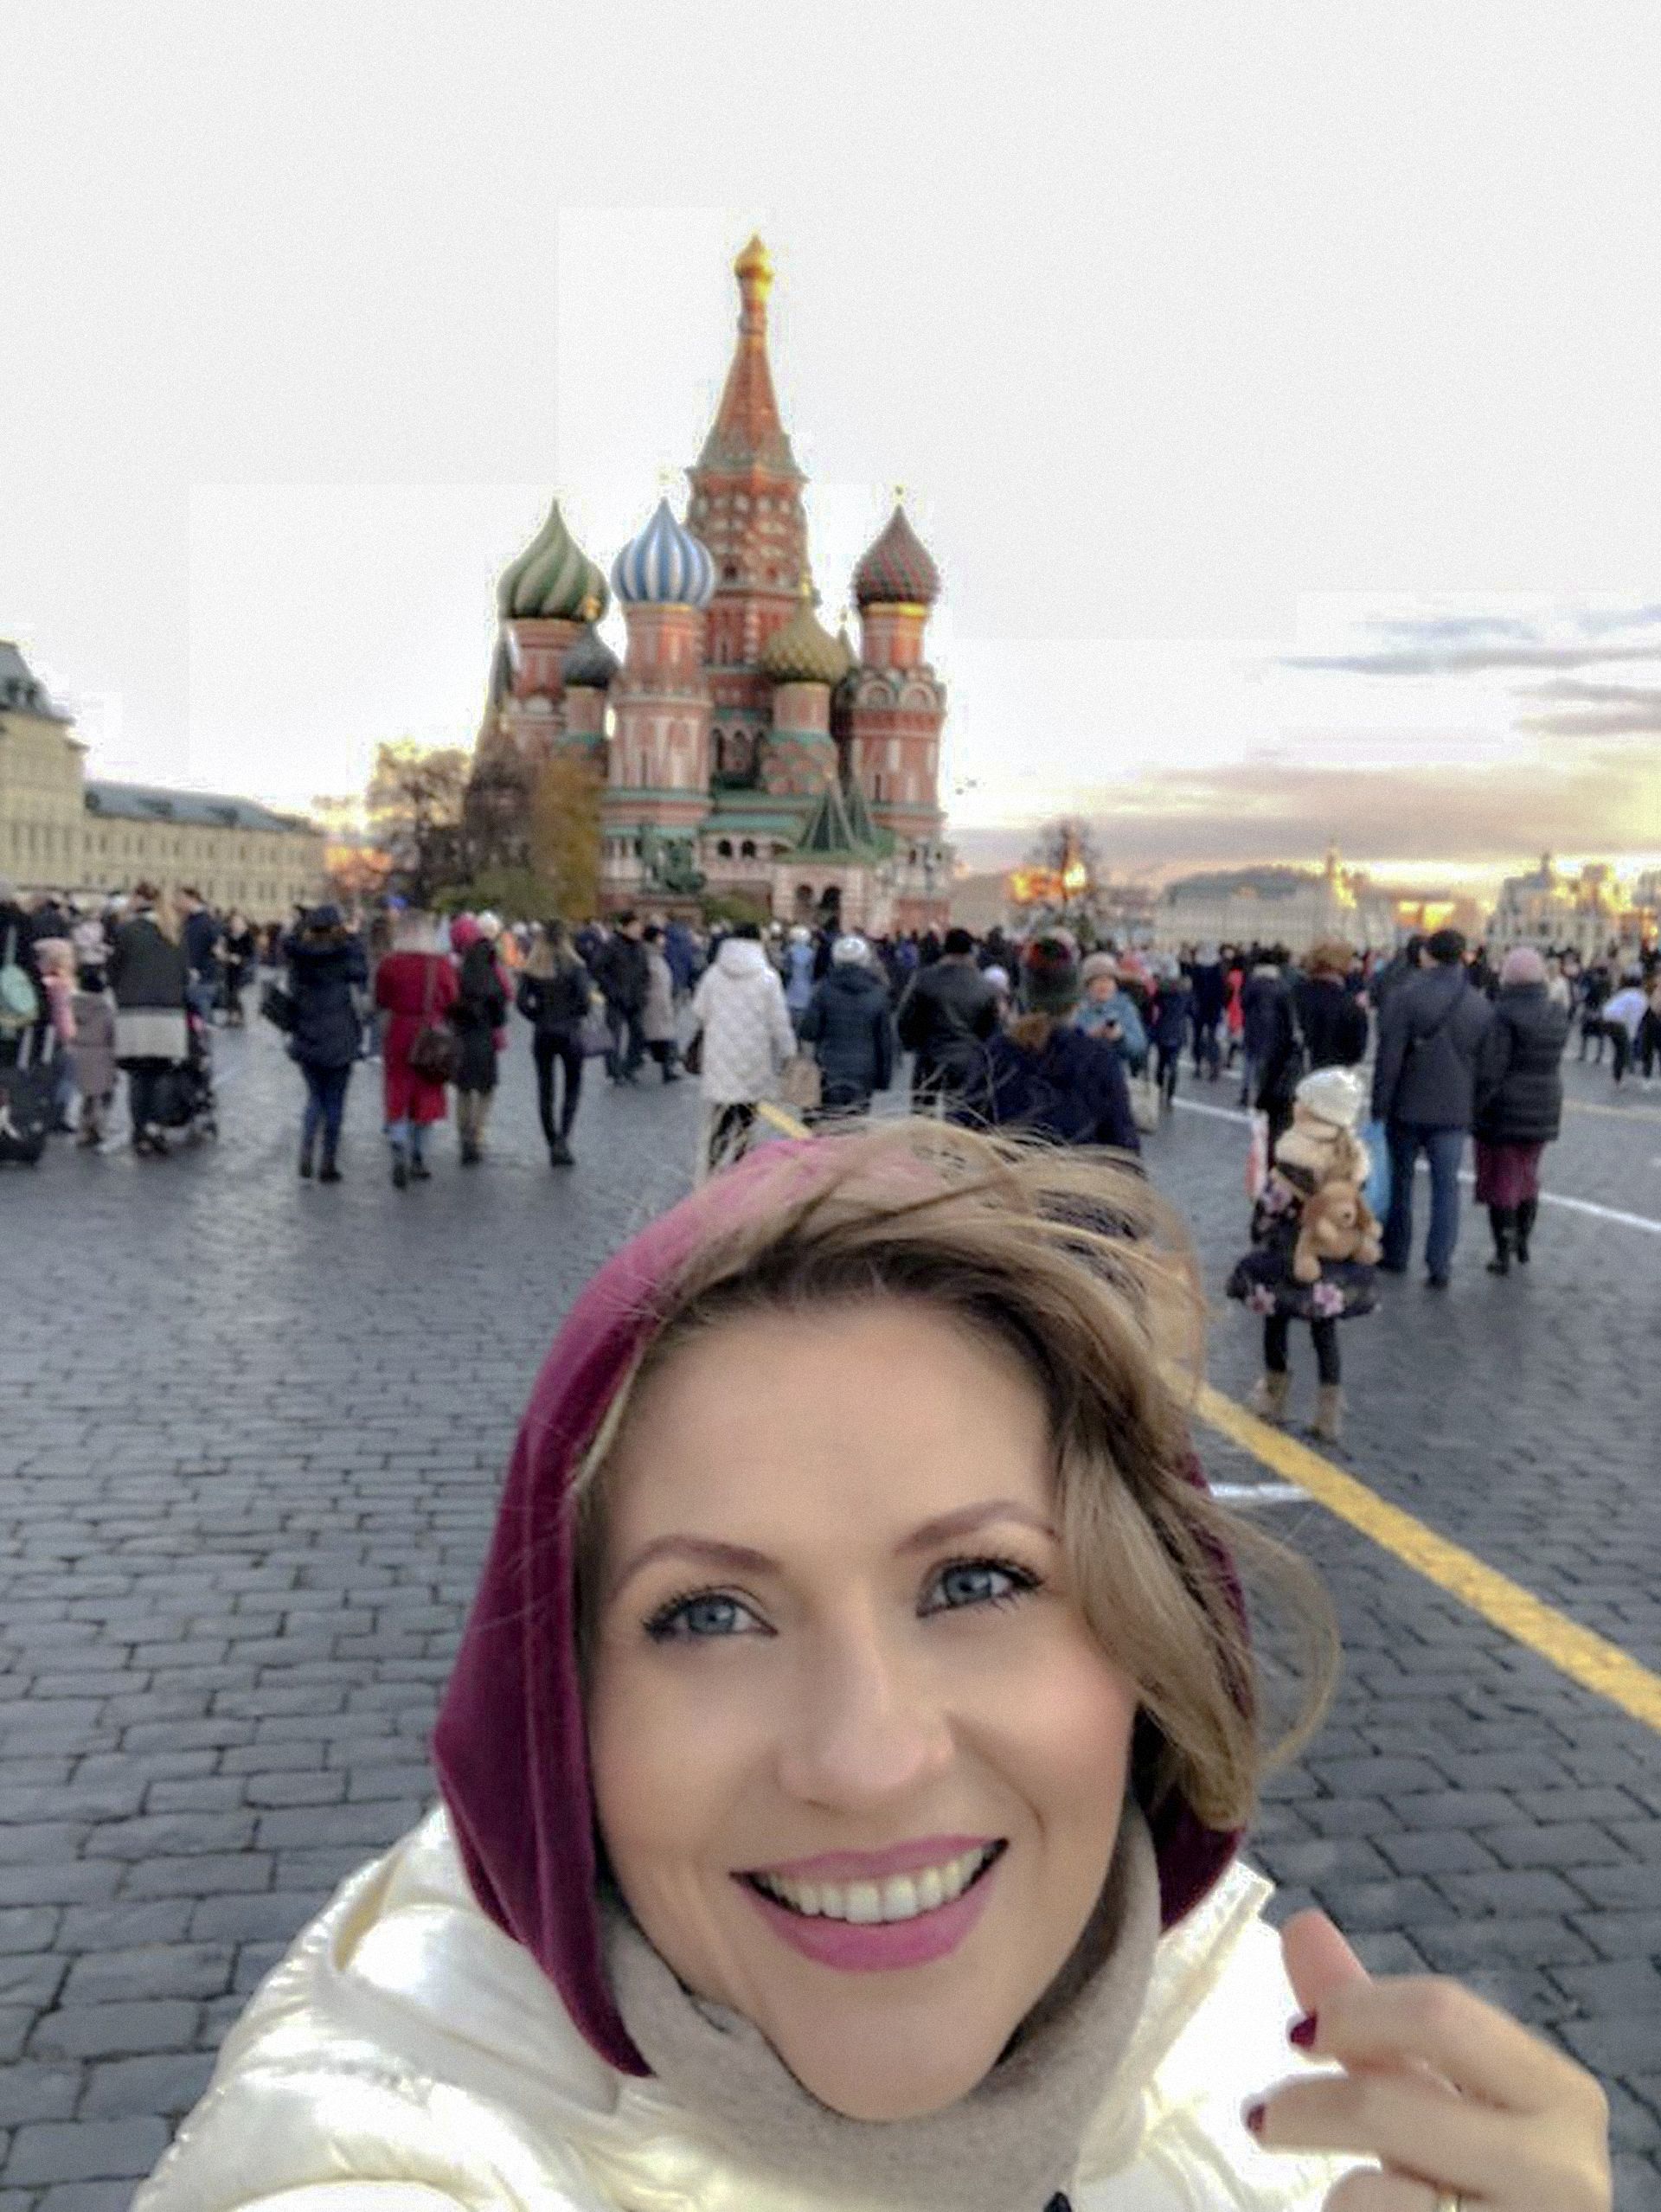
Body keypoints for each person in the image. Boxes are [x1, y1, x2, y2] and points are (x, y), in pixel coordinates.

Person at [131, 1124, 1613, 2212]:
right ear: (559, 1712)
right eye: (709, 1614)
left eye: (976, 1582)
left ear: (1148, 1637)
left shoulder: (1277, 2081)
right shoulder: (387, 2165)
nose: (866, 1757)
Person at [1228, 1067, 1379, 1445]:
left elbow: (1271, 1206)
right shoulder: (1353, 1158)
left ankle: (1273, 1394)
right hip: (1333, 1258)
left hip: (1287, 1254)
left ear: (1312, 1111)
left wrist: (1259, 1231)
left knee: (1276, 1322)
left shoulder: (1294, 1155)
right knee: (1324, 1331)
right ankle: (1329, 1411)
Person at [1370, 927, 1495, 1289]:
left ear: (1428, 955)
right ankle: (1440, 1264)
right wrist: (1473, 1106)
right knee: (1446, 1188)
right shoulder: (1479, 1004)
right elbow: (1488, 1069)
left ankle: (1396, 1252)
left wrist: (1380, 1107)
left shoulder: (1405, 996)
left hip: (1407, 1106)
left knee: (1401, 1183)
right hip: (1454, 1111)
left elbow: (1389, 1058)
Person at [953, 935, 1140, 1153]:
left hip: (1008, 1171)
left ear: (1027, 997)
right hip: (1078, 1172)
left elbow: (965, 1127)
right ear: (1074, 1000)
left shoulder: (998, 1053)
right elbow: (1123, 1145)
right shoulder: (1098, 1058)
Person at [1472, 946, 1569, 1275]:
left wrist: (1477, 1106)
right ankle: (1523, 1241)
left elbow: (1491, 1069)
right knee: (1528, 1174)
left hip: (1505, 1108)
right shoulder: (1556, 1013)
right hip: (1546, 1102)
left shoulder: (1501, 1015)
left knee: (1502, 1180)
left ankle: (1503, 1250)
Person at [686, 921, 794, 1174]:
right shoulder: (768, 977)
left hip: (720, 1057)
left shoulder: (714, 974)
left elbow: (699, 1010)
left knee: (720, 1119)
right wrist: (788, 1052)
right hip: (753, 1059)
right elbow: (779, 1022)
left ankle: (713, 1167)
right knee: (746, 1119)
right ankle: (741, 1168)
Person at [373, 909, 459, 1188]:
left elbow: (381, 1000)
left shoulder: (390, 963)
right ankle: (419, 1155)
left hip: (399, 1030)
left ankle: (399, 1141)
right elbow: (452, 998)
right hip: (430, 1032)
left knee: (397, 1088)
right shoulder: (440, 964)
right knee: (428, 1091)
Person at [283, 904, 368, 1183]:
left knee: (314, 1097)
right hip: (340, 1035)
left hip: (307, 1032)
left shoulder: (300, 954)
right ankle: (328, 1162)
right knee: (335, 1100)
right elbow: (362, 973)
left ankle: (307, 1148)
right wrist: (353, 936)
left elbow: (289, 944)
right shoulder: (344, 954)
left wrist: (298, 930)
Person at [107, 883, 189, 1157]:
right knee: (163, 1072)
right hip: (169, 1010)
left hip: (134, 1010)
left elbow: (114, 970)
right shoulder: (174, 931)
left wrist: (121, 993)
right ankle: (157, 1128)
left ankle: (140, 1131)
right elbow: (184, 973)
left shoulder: (127, 931)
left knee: (138, 1075)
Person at [895, 925, 998, 1112]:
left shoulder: (924, 979)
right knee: (962, 1116)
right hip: (968, 1060)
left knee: (922, 1117)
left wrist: (913, 1044)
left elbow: (905, 1020)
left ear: (945, 949)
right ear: (971, 952)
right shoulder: (984, 986)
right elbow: (991, 1030)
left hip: (930, 1056)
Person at [516, 920, 594, 1166]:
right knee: (572, 1087)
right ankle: (563, 1139)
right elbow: (585, 1002)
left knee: (545, 1088)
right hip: (570, 1031)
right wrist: (574, 1014)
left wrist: (538, 1016)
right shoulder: (575, 966)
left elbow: (521, 1003)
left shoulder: (533, 968)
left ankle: (552, 1141)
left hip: (543, 1032)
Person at [796, 933, 895, 1120]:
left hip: (828, 1068)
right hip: (864, 1070)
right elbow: (885, 1040)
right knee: (856, 1125)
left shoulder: (823, 990)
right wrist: (884, 1079)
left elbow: (808, 1031)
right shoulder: (878, 993)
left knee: (828, 1122)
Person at [449, 915, 509, 1164]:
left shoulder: (457, 972)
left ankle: (464, 1136)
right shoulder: (491, 975)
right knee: (485, 1090)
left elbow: (449, 1004)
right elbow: (501, 1013)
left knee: (463, 1090)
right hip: (485, 1038)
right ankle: (476, 1133)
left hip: (461, 1036)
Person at [1292, 942, 1369, 1071]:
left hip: (1299, 1073)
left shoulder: (1295, 994)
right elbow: (1357, 1051)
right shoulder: (1349, 1004)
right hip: (1334, 1073)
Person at [594, 913, 650, 1085]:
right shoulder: (611, 945)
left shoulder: (640, 947)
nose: (639, 930)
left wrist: (644, 989)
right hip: (616, 998)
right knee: (613, 1036)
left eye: (639, 927)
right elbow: (597, 968)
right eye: (635, 926)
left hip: (636, 998)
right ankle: (615, 1071)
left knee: (639, 1033)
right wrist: (610, 990)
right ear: (625, 927)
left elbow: (645, 971)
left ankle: (630, 1067)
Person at [69, 962, 117, 1149]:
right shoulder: (104, 1009)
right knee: (103, 1096)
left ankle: (83, 1129)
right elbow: (111, 1033)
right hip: (101, 1054)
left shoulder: (72, 1006)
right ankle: (98, 1127)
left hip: (78, 1052)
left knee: (87, 1096)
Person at [1146, 957, 1192, 1111]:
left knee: (1160, 1063)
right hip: (1178, 1031)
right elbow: (1191, 1010)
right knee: (1173, 1066)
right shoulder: (1185, 991)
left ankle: (1159, 1092)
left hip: (1162, 1029)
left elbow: (1152, 1006)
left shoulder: (1161, 991)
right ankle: (1170, 1098)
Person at [639, 925, 682, 1081]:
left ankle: (667, 1068)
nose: (664, 940)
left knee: (662, 1037)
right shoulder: (649, 957)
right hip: (654, 1003)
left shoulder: (657, 955)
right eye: (661, 937)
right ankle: (665, 1069)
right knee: (661, 1037)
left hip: (661, 1003)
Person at [176, 887, 221, 1024]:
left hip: (201, 980)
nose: (178, 903)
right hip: (196, 979)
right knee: (196, 1024)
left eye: (181, 899)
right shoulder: (193, 921)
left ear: (192, 899)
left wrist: (194, 969)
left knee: (202, 1024)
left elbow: (204, 950)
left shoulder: (204, 922)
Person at [1598, 969, 1646, 1087]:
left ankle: (1618, 1077)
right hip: (1619, 1023)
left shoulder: (1625, 992)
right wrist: (1631, 1035)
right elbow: (1634, 1018)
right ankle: (1619, 1078)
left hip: (1607, 1019)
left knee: (1619, 1050)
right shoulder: (1640, 997)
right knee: (1623, 1051)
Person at [1188, 943, 1226, 1079]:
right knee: (1212, 1038)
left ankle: (1198, 1065)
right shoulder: (1218, 969)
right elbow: (1222, 990)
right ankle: (1213, 1066)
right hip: (1214, 1007)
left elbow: (1193, 989)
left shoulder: (1197, 968)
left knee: (1197, 1037)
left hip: (1199, 1007)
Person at [220, 909, 258, 1027]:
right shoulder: (227, 936)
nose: (235, 925)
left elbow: (251, 957)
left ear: (244, 924)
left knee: (237, 995)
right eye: (233, 922)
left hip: (243, 972)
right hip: (230, 970)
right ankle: (232, 1017)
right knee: (230, 993)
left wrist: (240, 959)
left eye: (238, 922)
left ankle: (238, 1018)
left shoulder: (248, 938)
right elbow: (223, 951)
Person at [782, 922, 818, 1033]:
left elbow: (787, 970)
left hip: (791, 989)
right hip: (806, 989)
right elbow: (811, 973)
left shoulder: (790, 951)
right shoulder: (811, 953)